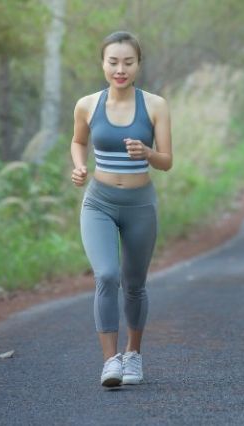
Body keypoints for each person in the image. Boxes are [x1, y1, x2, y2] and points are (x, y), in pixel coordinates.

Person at [70, 31, 172, 387]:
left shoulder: (155, 105)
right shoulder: (87, 104)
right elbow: (78, 140)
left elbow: (167, 161)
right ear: (103, 63)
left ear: (138, 65)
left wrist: (147, 153)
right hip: (99, 202)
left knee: (133, 284)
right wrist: (80, 166)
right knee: (107, 275)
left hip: (140, 204)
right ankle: (110, 361)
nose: (120, 69)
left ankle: (133, 356)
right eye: (113, 62)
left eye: (128, 62)